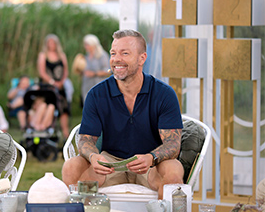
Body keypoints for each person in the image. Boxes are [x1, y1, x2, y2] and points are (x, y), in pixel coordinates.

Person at [62, 29, 184, 201]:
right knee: (71, 166)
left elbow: (173, 143)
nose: (116, 59)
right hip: (110, 165)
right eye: (113, 53)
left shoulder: (164, 94)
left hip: (150, 165)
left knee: (173, 169)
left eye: (124, 53)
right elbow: (85, 139)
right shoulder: (96, 94)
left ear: (142, 58)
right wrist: (93, 156)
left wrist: (152, 157)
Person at [37, 34, 70, 138]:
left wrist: (62, 81)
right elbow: (42, 72)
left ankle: (65, 132)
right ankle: (46, 130)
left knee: (64, 108)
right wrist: (52, 82)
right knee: (49, 107)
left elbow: (65, 71)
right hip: (48, 87)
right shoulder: (43, 55)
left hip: (60, 86)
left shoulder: (61, 55)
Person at [80, 34, 110, 104]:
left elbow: (108, 71)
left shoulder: (102, 55)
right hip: (87, 85)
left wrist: (94, 73)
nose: (86, 47)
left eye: (87, 45)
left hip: (98, 85)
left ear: (93, 44)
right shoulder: (86, 56)